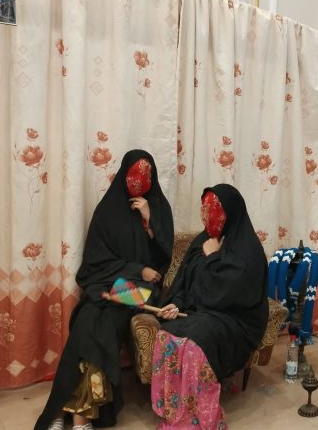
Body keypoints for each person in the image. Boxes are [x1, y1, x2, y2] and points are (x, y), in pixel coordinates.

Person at [35, 150, 174, 430]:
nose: (139, 180)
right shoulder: (108, 210)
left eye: (145, 175)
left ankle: (71, 413)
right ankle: (73, 414)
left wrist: (150, 221)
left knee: (104, 327)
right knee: (86, 323)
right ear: (123, 174)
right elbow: (95, 262)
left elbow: (162, 260)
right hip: (105, 285)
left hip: (138, 291)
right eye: (134, 174)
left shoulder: (158, 207)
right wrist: (137, 269)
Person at [151, 184, 268, 429]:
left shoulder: (248, 249)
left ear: (231, 212)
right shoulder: (201, 241)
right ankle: (174, 411)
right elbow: (185, 282)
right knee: (166, 337)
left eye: (214, 210)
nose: (207, 216)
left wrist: (213, 257)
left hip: (236, 318)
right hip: (203, 312)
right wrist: (176, 303)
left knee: (195, 345)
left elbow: (226, 294)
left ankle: (200, 419)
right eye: (204, 209)